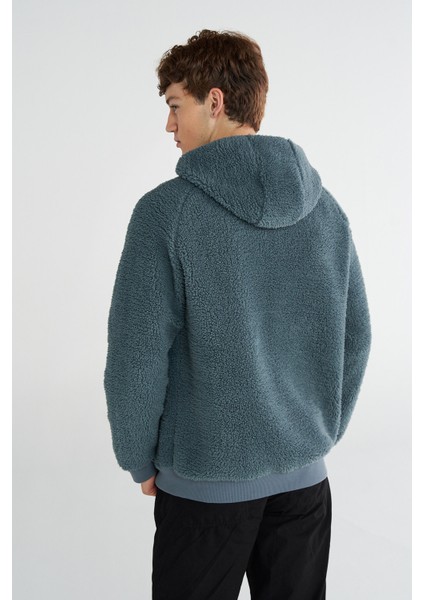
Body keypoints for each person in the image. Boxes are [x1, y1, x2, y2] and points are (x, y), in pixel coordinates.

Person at [104, 29, 372, 600]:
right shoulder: (326, 210)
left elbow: (136, 355)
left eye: (175, 105)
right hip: (305, 485)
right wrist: (316, 432)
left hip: (204, 487)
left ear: (215, 101)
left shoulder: (165, 214)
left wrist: (137, 457)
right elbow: (357, 338)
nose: (169, 125)